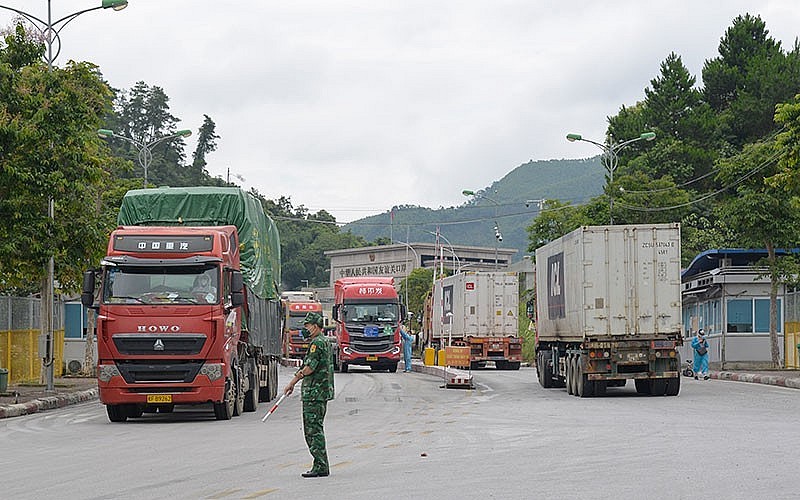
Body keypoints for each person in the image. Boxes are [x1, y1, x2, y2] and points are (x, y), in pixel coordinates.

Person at [284, 312, 335, 478]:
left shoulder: (316, 344)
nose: (304, 329)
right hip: (320, 392)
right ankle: (320, 464)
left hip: (314, 392)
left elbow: (309, 368)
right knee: (316, 428)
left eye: (307, 325)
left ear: (315, 326)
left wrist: (293, 381)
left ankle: (320, 465)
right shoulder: (324, 342)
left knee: (313, 430)